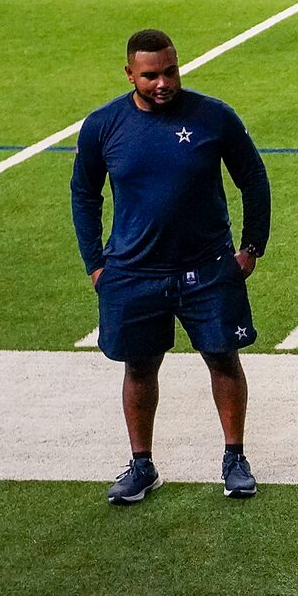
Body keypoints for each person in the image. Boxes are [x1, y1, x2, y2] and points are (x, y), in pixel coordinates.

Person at [71, 28, 270, 505]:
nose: (163, 82)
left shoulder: (213, 116)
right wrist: (95, 264)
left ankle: (235, 459)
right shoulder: (103, 126)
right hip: (133, 273)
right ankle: (142, 466)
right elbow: (84, 194)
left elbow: (253, 178)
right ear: (129, 74)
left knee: (223, 358)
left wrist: (251, 248)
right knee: (139, 367)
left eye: (170, 71)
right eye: (150, 75)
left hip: (208, 269)